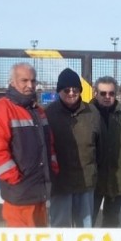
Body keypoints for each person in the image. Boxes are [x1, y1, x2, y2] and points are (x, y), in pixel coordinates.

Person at [0, 63, 57, 227]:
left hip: (39, 190)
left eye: (33, 81)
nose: (30, 85)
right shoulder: (1, 109)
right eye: (24, 80)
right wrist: (14, 178)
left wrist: (53, 167)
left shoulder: (38, 111)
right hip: (20, 192)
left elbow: (48, 144)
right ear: (12, 82)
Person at [45, 68, 100, 228]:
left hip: (86, 181)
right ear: (59, 91)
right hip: (60, 183)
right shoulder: (49, 113)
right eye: (66, 90)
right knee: (60, 227)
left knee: (85, 227)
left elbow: (100, 144)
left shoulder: (92, 112)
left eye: (75, 89)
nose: (71, 93)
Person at [91, 76, 121, 227]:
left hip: (117, 179)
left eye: (111, 93)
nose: (107, 97)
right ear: (95, 93)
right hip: (93, 180)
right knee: (88, 218)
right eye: (103, 93)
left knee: (112, 219)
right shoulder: (86, 115)